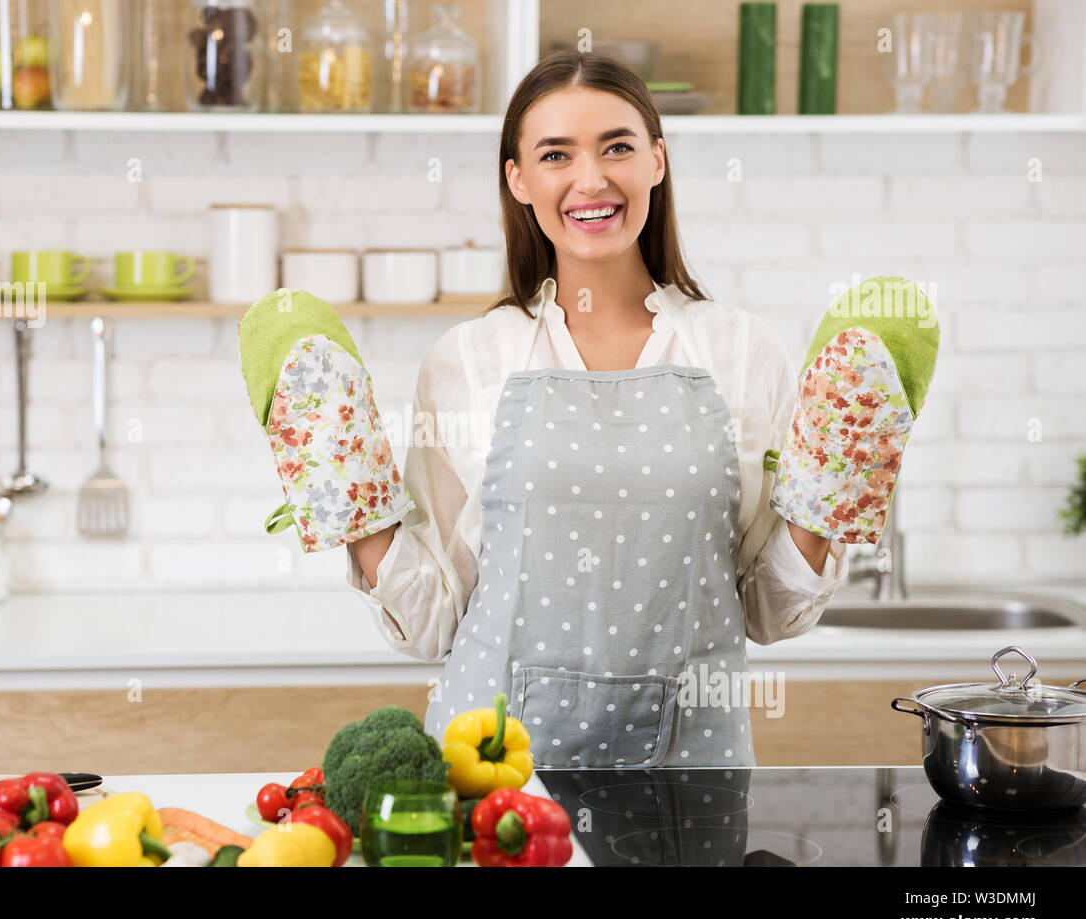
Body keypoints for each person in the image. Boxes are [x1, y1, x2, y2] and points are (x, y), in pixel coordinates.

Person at [346, 51, 850, 768]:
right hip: (491, 777)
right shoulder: (468, 360)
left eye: (617, 146)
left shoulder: (743, 353)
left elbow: (767, 611)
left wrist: (838, 486)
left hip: (688, 768)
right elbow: (433, 623)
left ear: (657, 161)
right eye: (556, 154)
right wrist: (344, 498)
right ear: (517, 179)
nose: (592, 180)